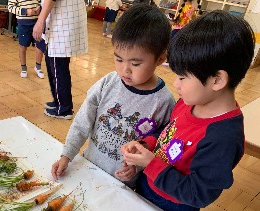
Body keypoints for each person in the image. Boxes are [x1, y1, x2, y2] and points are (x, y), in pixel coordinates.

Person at [121, 10, 255, 211]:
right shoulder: (189, 102)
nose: (176, 84)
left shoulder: (223, 138)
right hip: (149, 183)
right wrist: (147, 145)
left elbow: (198, 193)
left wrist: (151, 164)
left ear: (217, 80)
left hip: (174, 208)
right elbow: (168, 132)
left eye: (182, 77)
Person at [50, 4, 175, 187]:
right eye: (118, 59)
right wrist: (67, 155)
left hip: (121, 185)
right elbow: (82, 121)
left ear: (160, 60)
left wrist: (136, 168)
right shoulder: (109, 82)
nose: (125, 70)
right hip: (88, 167)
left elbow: (156, 147)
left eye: (136, 63)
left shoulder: (164, 102)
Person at [33, 0, 88, 119]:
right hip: (63, 20)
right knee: (54, 64)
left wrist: (40, 20)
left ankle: (64, 109)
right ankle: (59, 102)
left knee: (58, 68)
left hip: (62, 23)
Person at [8, 0, 45, 79]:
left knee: (39, 46)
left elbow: (41, 2)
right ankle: (23, 68)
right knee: (23, 46)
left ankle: (38, 67)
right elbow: (10, 7)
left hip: (37, 22)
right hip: (23, 23)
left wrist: (39, 8)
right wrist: (25, 11)